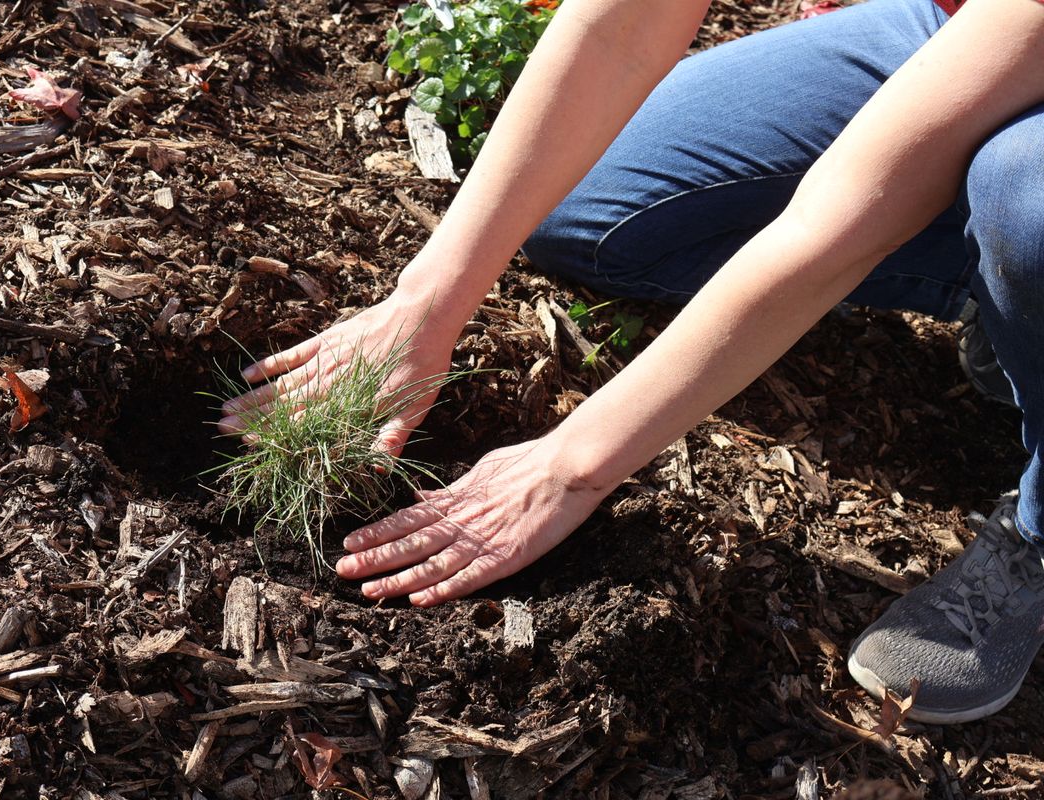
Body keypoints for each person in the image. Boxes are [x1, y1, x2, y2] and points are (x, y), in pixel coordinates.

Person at [220, 0, 1044, 725]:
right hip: (963, 30)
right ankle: (1002, 294)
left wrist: (573, 464)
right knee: (593, 212)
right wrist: (425, 304)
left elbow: (840, 219)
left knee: (1023, 199)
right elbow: (619, 26)